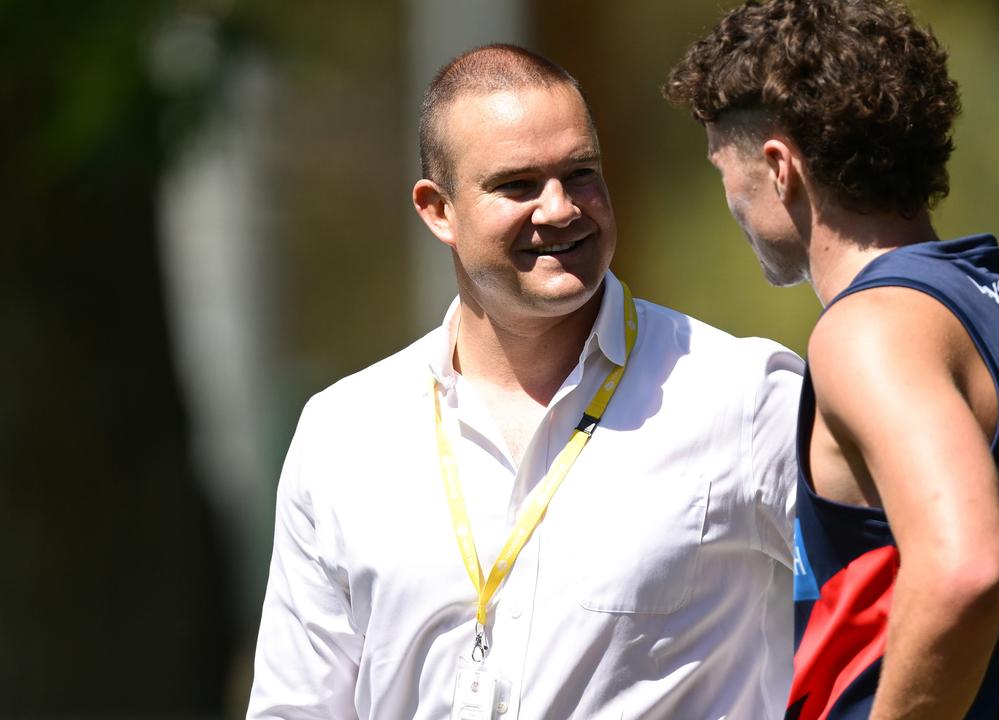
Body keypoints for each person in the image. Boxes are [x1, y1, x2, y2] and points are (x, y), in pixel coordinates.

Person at [247, 44, 802, 719]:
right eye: (517, 185)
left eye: (581, 174)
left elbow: (898, 595)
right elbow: (297, 706)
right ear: (437, 210)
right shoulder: (344, 432)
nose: (560, 208)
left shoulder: (744, 394)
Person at [663, 1, 999, 718]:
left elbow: (964, 568)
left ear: (779, 168)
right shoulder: (993, 304)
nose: (730, 199)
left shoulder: (868, 331)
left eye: (724, 167)